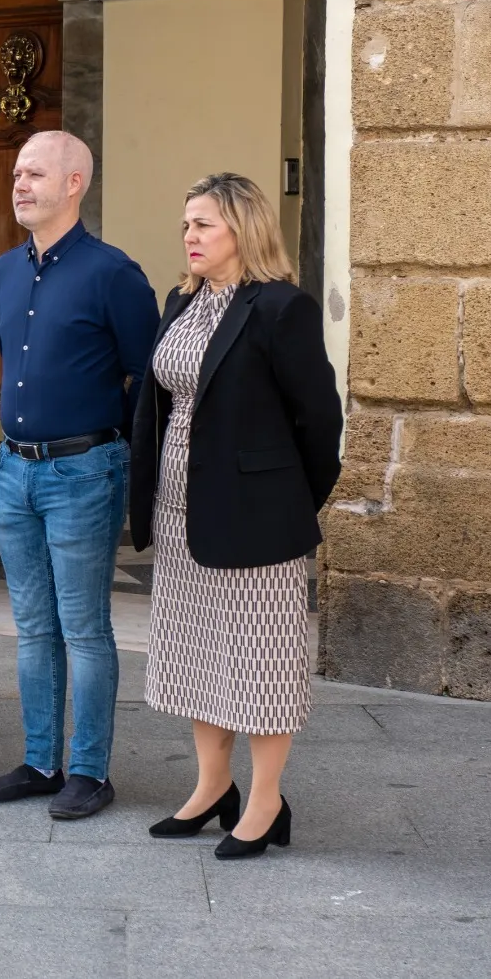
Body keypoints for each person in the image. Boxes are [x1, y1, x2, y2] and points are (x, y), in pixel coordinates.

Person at [131, 173, 341, 858]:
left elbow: (319, 420)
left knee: (261, 662)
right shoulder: (181, 303)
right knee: (196, 652)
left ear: (242, 231)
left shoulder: (282, 308)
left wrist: (284, 502)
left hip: (255, 518)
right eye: (186, 224)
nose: (189, 237)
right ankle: (211, 786)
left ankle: (265, 799)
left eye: (204, 225)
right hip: (178, 508)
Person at [0, 131, 160, 819]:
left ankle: (90, 771)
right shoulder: (2, 272)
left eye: (35, 173)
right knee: (32, 625)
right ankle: (40, 761)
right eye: (17, 172)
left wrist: (130, 465)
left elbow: (146, 374)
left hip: (83, 470)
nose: (19, 183)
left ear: (74, 183)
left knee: (83, 627)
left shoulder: (113, 273)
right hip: (12, 470)